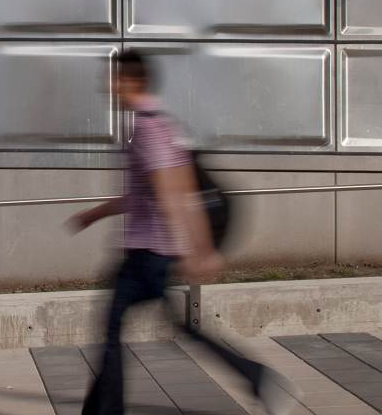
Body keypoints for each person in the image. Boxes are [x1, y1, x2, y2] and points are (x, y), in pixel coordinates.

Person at [69, 50, 297, 415]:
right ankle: (257, 377)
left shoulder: (146, 130)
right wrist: (95, 214)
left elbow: (171, 194)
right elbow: (168, 189)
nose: (108, 85)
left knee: (111, 332)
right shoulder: (161, 124)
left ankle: (105, 411)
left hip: (146, 254)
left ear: (132, 81)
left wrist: (197, 250)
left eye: (115, 78)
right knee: (169, 328)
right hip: (153, 254)